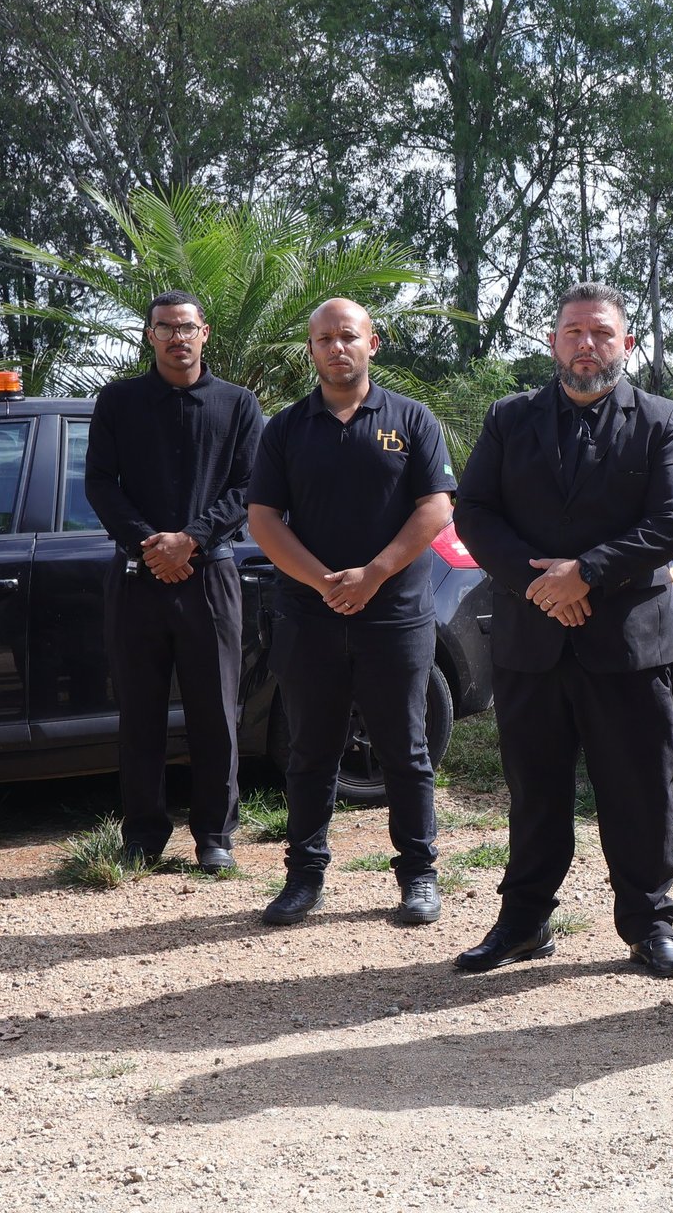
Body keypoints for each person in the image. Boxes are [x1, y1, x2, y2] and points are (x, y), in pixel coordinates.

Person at [450, 283, 673, 977]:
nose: (586, 345)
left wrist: (584, 574)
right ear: (553, 342)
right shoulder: (509, 420)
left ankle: (649, 925)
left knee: (642, 789)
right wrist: (542, 586)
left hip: (628, 644)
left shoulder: (660, 420)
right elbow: (475, 514)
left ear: (626, 342)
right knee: (535, 791)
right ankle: (524, 922)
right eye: (573, 332)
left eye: (601, 333)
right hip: (532, 638)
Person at [246, 298, 457, 927]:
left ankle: (418, 875)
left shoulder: (412, 420)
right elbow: (262, 519)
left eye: (348, 337)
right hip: (309, 617)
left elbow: (436, 508)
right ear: (310, 350)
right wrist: (324, 582)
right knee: (310, 749)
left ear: (373, 344)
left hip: (394, 614)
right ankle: (303, 876)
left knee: (406, 749)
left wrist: (373, 575)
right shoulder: (284, 429)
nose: (336, 348)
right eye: (323, 339)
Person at [86, 290, 262, 872]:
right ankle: (142, 834)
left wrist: (191, 540)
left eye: (187, 327)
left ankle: (215, 836)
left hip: (209, 578)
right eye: (165, 327)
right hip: (136, 579)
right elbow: (100, 486)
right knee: (139, 711)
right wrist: (150, 543)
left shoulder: (238, 405)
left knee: (215, 711)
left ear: (204, 333)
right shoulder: (118, 401)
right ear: (150, 336)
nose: (177, 337)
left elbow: (247, 489)